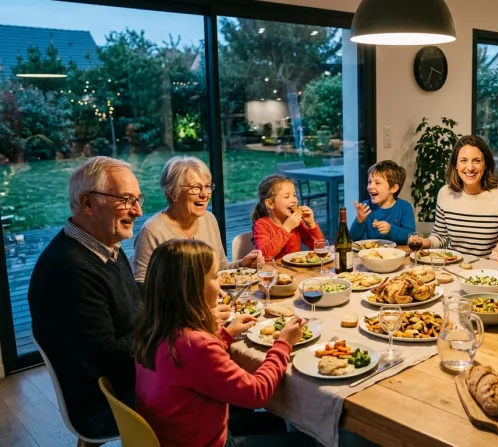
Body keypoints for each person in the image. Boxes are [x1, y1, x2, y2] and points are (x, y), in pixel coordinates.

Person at [133, 239, 313, 447]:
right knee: (310, 439)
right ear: (192, 288)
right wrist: (283, 343)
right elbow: (258, 393)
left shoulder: (152, 329)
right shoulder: (196, 346)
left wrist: (225, 334)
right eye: (215, 276)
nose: (221, 286)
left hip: (176, 433)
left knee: (283, 422)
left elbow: (195, 368)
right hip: (206, 442)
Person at [28, 156, 144, 438]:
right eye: (126, 200)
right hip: (107, 402)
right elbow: (106, 360)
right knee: (216, 383)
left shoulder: (105, 245)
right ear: (88, 203)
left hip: (131, 376)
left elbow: (131, 306)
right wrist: (170, 334)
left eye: (138, 199)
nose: (138, 211)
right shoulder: (67, 270)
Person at [132, 156, 262, 283]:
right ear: (172, 193)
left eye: (207, 186)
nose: (204, 194)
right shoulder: (152, 231)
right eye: (195, 188)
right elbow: (142, 288)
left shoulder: (209, 219)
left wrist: (242, 264)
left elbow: (220, 269)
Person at [423, 135, 498, 257]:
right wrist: (424, 242)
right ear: (456, 164)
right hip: (452, 267)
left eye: (477, 161)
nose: (470, 168)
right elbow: (441, 236)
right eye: (463, 160)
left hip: (489, 271)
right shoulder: (445, 193)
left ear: (485, 164)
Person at [252, 174, 323, 259]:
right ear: (270, 204)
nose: (294, 200)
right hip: (273, 271)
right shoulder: (262, 225)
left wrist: (311, 224)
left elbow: (320, 248)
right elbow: (265, 255)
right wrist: (286, 228)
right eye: (287, 197)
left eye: (294, 195)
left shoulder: (297, 223)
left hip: (295, 271)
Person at [350, 160, 416, 243]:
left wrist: (390, 229)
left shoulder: (405, 207)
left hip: (397, 254)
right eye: (369, 182)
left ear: (393, 188)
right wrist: (359, 220)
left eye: (377, 183)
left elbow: (411, 236)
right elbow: (353, 238)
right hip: (370, 254)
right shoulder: (366, 206)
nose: (370, 186)